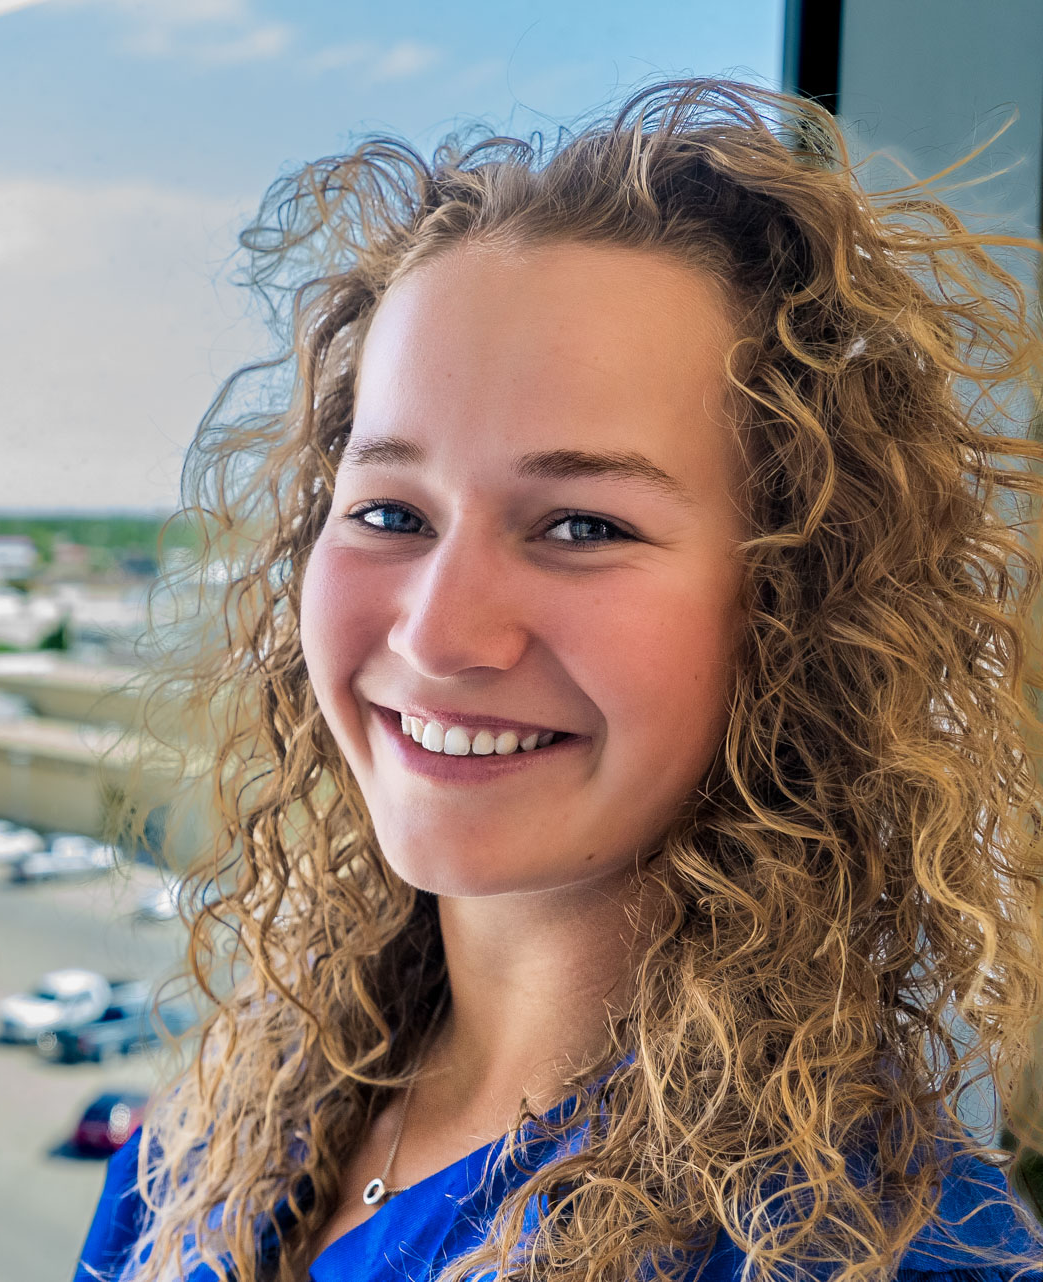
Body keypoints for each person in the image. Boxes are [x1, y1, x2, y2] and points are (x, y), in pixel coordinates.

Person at [75, 78, 1043, 1282]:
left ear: (797, 605)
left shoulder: (871, 1251)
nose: (438, 635)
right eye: (388, 510)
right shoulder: (194, 1159)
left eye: (583, 526)